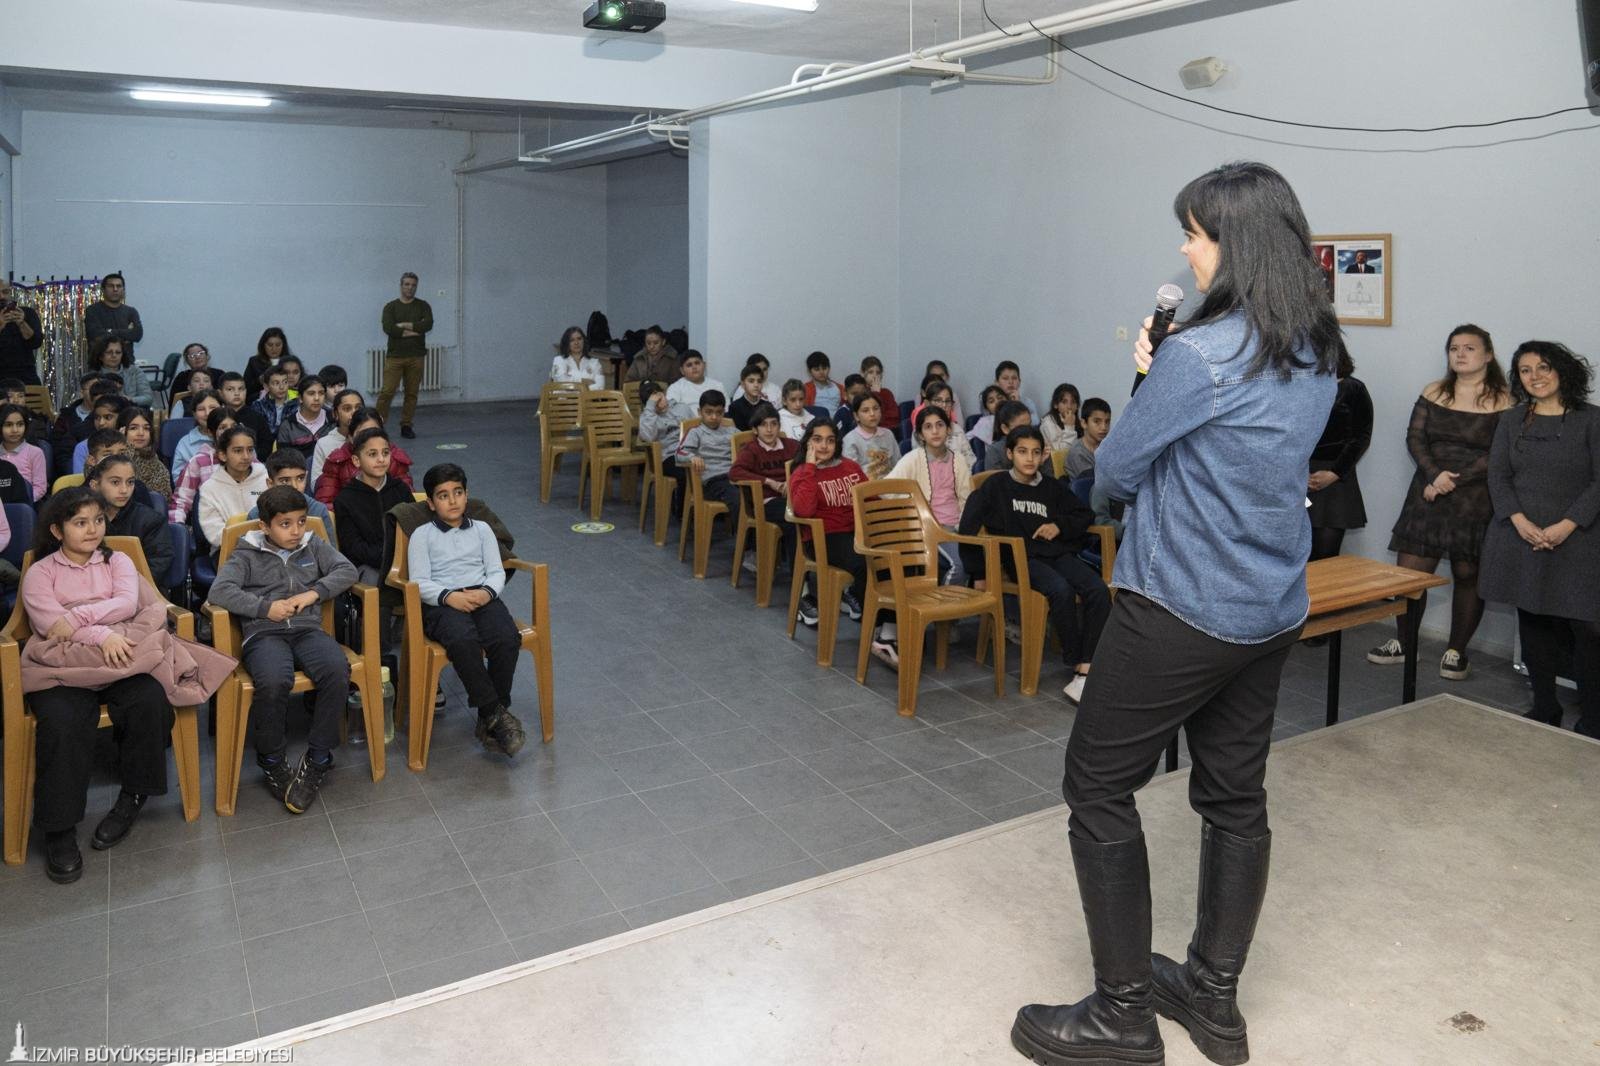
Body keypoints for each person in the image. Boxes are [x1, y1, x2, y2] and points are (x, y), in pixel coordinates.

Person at [1013, 161, 1341, 1066]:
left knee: (1096, 786)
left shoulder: (1200, 355)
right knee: (1235, 797)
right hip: (1268, 605)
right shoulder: (1315, 345)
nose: (1185, 249)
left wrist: (1156, 383)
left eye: (1193, 234)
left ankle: (1122, 1014)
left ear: (1232, 245)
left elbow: (1113, 476)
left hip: (1180, 606)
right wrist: (1168, 385)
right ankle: (1213, 996)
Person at [18, 487, 231, 884]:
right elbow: (51, 626)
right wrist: (101, 635)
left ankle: (133, 796)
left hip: (122, 656)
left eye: (98, 520)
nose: (92, 530)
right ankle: (60, 829)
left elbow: (127, 604)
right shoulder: (40, 572)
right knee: (63, 722)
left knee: (149, 701)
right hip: (67, 665)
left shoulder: (117, 561)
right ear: (57, 530)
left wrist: (80, 618)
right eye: (80, 523)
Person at [1367, 324, 1511, 680]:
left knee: (1468, 573)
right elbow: (1415, 438)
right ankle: (1404, 643)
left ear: (1488, 355)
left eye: (1469, 348)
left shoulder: (1506, 400)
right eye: (1454, 348)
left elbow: (1499, 453)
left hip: (1474, 497)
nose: (1460, 354)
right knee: (1410, 573)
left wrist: (1450, 481)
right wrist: (1434, 476)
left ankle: (1456, 651)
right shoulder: (1434, 391)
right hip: (1427, 492)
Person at [208, 484, 358, 813]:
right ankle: (273, 759)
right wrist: (265, 608)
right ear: (265, 526)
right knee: (274, 680)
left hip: (307, 629)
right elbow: (220, 592)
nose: (295, 531)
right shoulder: (245, 552)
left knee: (336, 669)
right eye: (285, 524)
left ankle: (318, 757)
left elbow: (347, 570)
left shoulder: (313, 544)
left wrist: (314, 593)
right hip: (265, 634)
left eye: (301, 521)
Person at [1478, 341, 1600, 737]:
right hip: (1521, 534)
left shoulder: (1592, 420)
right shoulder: (1512, 420)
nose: (1536, 377)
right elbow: (1498, 476)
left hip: (1579, 535)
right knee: (1532, 619)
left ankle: (1594, 717)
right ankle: (1544, 706)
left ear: (1563, 370)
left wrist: (1568, 524)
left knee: (1588, 629)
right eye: (1526, 370)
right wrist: (1517, 519)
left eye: (1544, 367)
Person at [960, 425, 1107, 702]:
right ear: (1009, 453)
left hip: (1056, 553)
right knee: (1060, 590)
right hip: (1021, 559)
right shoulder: (996, 486)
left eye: (1036, 453)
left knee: (1097, 588)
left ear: (1043, 456)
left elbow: (1084, 514)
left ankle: (1088, 665)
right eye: (1022, 452)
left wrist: (1058, 525)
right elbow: (968, 527)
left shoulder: (1052, 487)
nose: (1029, 459)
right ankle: (1075, 658)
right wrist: (978, 572)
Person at [410, 462, 526, 756]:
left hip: (481, 597)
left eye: (458, 492)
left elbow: (496, 571)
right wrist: (449, 597)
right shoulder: (422, 535)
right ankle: (495, 713)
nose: (452, 500)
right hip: (442, 604)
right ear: (431, 502)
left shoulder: (482, 529)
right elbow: (419, 582)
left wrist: (487, 593)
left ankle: (491, 716)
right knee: (463, 641)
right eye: (443, 495)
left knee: (507, 638)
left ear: (466, 494)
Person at [788, 419, 868, 629]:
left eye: (830, 440)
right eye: (817, 440)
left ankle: (888, 625)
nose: (824, 446)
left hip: (856, 532)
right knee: (864, 562)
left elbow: (868, 498)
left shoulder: (850, 466)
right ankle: (874, 621)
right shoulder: (802, 472)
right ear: (807, 443)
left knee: (892, 556)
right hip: (824, 538)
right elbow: (803, 510)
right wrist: (810, 467)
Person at [889, 405, 972, 589]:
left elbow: (967, 498)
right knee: (960, 565)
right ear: (919, 434)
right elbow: (886, 490)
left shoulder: (958, 459)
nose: (935, 431)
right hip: (929, 529)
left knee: (984, 556)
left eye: (940, 425)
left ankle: (950, 613)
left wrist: (964, 527)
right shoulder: (913, 459)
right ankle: (944, 614)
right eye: (928, 427)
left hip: (957, 527)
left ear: (948, 429)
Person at [1307, 343, 1373, 561]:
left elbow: (1361, 437)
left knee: (1325, 555)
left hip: (1335, 478)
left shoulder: (1354, 389)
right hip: (1298, 474)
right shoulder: (1296, 386)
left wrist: (1334, 473)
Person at [334, 427, 413, 585]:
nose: (381, 459)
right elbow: (353, 547)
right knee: (373, 580)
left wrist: (402, 559)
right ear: (356, 461)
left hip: (406, 561)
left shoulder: (400, 489)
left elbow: (415, 530)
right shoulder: (345, 499)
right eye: (372, 454)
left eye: (385, 453)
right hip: (369, 567)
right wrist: (389, 558)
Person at [87, 453, 172, 594]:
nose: (124, 490)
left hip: (139, 593)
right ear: (95, 485)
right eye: (115, 482)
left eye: (130, 482)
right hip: (91, 592)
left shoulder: (151, 520)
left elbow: (158, 565)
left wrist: (120, 590)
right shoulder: (83, 520)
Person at [729, 403, 799, 566]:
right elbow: (735, 472)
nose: (769, 430)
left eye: (774, 424)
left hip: (792, 496)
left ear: (779, 426)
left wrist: (791, 482)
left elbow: (805, 465)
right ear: (755, 430)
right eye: (763, 425)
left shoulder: (791, 445)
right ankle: (800, 577)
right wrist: (769, 482)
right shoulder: (752, 449)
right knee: (794, 519)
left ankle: (809, 565)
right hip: (766, 502)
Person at [314, 409, 413, 506]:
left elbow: (408, 501)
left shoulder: (394, 459)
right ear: (350, 437)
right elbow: (326, 503)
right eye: (362, 434)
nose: (370, 438)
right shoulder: (337, 462)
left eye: (375, 432)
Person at [377, 271, 432, 440]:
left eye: (413, 285)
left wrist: (404, 326)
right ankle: (376, 425)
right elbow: (389, 328)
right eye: (407, 284)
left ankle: (406, 425)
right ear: (401, 286)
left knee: (411, 393)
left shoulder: (423, 306)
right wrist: (415, 329)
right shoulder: (390, 307)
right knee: (387, 392)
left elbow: (427, 325)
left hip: (416, 357)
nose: (410, 288)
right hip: (395, 357)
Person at [197, 426, 267, 553]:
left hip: (267, 545)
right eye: (238, 451)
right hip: (227, 548)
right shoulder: (209, 488)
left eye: (250, 450)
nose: (246, 456)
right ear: (223, 455)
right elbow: (214, 534)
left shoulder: (266, 478)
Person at [169, 406, 237, 526]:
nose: (230, 432)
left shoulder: (250, 459)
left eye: (234, 426)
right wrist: (178, 529)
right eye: (223, 427)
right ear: (211, 432)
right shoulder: (199, 462)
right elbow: (181, 502)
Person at [677, 390, 740, 513]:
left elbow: (748, 444)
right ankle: (741, 533)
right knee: (738, 498)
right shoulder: (696, 432)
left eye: (719, 413)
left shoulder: (732, 431)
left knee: (756, 494)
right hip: (711, 482)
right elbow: (680, 453)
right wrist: (692, 457)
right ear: (700, 412)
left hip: (734, 477)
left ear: (724, 412)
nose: (714, 417)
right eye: (709, 412)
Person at [247, 447, 335, 535]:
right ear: (270, 483)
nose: (294, 486)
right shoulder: (256, 515)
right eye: (285, 481)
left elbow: (329, 547)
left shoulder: (318, 511)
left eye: (300, 478)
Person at [83, 273, 143, 364]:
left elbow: (137, 335)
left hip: (127, 366)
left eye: (118, 286)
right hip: (99, 368)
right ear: (103, 290)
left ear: (123, 290)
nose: (115, 289)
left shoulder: (131, 311)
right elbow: (95, 335)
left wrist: (109, 331)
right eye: (111, 286)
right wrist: (125, 336)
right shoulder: (92, 311)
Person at [117, 406, 173, 502]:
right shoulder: (107, 458)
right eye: (133, 428)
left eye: (146, 428)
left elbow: (161, 502)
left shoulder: (157, 465)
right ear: (121, 431)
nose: (141, 433)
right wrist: (123, 448)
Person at [312, 388, 364, 488]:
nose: (354, 413)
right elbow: (316, 485)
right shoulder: (324, 443)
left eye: (358, 408)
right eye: (347, 409)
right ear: (335, 414)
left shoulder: (374, 437)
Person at [169, 390, 224, 481]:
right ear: (194, 414)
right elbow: (179, 480)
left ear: (223, 408)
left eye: (213, 408)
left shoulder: (236, 436)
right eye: (201, 409)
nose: (207, 413)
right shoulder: (185, 443)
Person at [842, 392, 897, 480]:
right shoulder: (850, 440)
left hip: (890, 484)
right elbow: (851, 475)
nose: (872, 414)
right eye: (865, 410)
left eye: (876, 408)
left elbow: (897, 464)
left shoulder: (888, 434)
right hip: (866, 488)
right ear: (856, 416)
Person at [0, 402, 48, 502]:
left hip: (25, 505)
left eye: (20, 424)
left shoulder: (35, 452)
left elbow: (40, 488)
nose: (15, 430)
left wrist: (25, 500)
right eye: (8, 425)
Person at [71, 396, 129, 474]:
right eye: (97, 417)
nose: (101, 423)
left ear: (122, 417)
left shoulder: (130, 443)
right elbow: (82, 480)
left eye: (108, 417)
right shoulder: (83, 447)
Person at [0, 282, 44, 384]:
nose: (1, 296)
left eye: (5, 292)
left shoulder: (27, 313)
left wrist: (21, 323)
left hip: (26, 377)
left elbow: (36, 342)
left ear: (10, 293)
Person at [277, 374, 333, 453]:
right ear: (300, 398)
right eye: (311, 393)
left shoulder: (333, 419)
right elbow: (284, 459)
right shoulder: (288, 426)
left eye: (321, 393)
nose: (317, 398)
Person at [665, 351, 724, 424]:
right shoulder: (675, 388)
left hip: (715, 425)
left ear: (704, 365)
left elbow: (725, 412)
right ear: (682, 371)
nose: (694, 367)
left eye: (697, 363)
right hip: (688, 428)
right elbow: (671, 414)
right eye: (689, 365)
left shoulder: (717, 385)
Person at [219, 371, 271, 446]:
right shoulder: (217, 416)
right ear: (220, 393)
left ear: (246, 391)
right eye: (230, 389)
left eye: (241, 389)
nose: (237, 393)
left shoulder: (257, 418)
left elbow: (266, 445)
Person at [1064, 398, 1111, 479]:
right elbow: (1094, 484)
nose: (1104, 427)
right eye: (1097, 421)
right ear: (1084, 423)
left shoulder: (1108, 446)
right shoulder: (1078, 453)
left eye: (1107, 422)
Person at [243, 327, 291, 404]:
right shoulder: (254, 362)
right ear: (263, 345)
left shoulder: (290, 362)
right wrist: (259, 381)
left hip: (288, 400)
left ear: (283, 345)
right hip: (260, 401)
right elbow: (245, 389)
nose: (274, 348)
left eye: (278, 345)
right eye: (270, 345)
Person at [985, 400, 1033, 474]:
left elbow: (1049, 480)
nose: (1027, 431)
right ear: (1005, 429)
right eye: (1020, 428)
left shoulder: (1035, 444)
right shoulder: (995, 451)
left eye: (1029, 425)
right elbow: (994, 483)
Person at [251, 364, 293, 444]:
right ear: (266, 386)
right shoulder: (258, 406)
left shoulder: (296, 405)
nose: (282, 387)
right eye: (276, 383)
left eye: (285, 382)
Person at [1, 378, 51, 444]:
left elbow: (39, 439)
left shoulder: (34, 419)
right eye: (10, 396)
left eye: (20, 396)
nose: (16, 400)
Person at [1042, 383, 1082, 454]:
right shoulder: (1048, 424)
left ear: (1077, 406)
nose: (1069, 406)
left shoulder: (1079, 421)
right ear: (1055, 404)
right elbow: (1060, 454)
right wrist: (1069, 427)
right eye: (1064, 402)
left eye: (1073, 402)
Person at [728, 363, 770, 432]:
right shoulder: (735, 407)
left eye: (759, 381)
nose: (756, 385)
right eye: (751, 381)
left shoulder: (767, 406)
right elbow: (740, 435)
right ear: (742, 384)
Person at [861, 356, 897, 431]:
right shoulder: (861, 393)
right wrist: (876, 394)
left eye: (878, 372)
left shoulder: (887, 393)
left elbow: (894, 418)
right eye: (870, 372)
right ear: (862, 373)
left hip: (886, 431)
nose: (874, 376)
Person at [968, 385, 1007, 452]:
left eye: (1000, 398)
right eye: (991, 401)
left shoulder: (1015, 416)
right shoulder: (985, 422)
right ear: (987, 408)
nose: (997, 402)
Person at [803, 351, 843, 416]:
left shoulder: (839, 388)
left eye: (824, 368)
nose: (821, 372)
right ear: (809, 371)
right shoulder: (806, 388)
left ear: (829, 368)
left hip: (837, 423)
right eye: (817, 369)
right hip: (817, 423)